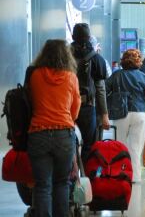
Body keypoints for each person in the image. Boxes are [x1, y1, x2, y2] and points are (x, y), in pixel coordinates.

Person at [28, 39, 81, 217]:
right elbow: (76, 107)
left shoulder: (35, 75)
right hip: (63, 135)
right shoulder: (71, 77)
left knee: (42, 185)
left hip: (38, 133)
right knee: (62, 183)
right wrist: (67, 120)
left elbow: (29, 101)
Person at [106, 49, 145, 183]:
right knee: (135, 147)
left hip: (120, 114)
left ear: (123, 60)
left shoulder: (116, 75)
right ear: (138, 61)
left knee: (119, 144)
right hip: (139, 113)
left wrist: (108, 107)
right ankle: (135, 177)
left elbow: (104, 91)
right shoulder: (143, 77)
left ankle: (119, 173)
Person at [70, 23, 110, 164]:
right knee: (90, 145)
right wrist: (104, 115)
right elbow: (100, 89)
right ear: (89, 37)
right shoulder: (97, 59)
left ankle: (71, 177)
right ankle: (88, 179)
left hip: (66, 107)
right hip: (86, 106)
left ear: (73, 36)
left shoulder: (63, 56)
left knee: (67, 143)